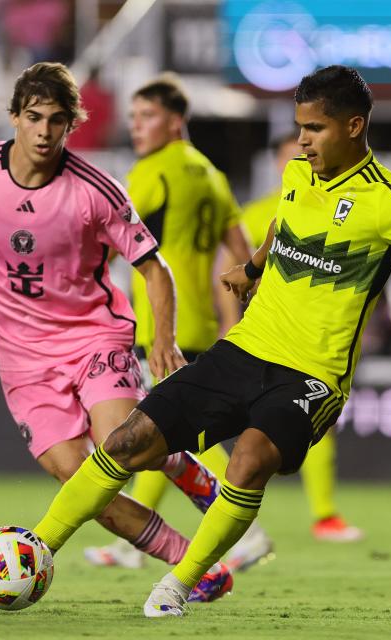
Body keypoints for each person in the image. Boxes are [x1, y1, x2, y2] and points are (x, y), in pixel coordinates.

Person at [20, 65, 391, 618]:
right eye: (299, 128)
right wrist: (254, 265)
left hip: (313, 373)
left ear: (355, 126)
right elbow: (283, 224)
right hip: (246, 348)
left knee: (247, 460)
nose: (302, 141)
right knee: (127, 441)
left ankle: (180, 582)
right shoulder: (296, 174)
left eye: (314, 129)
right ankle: (35, 549)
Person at [0, 62, 232, 602]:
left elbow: (152, 268)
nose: (45, 132)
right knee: (80, 483)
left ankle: (180, 468)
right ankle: (194, 563)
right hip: (22, 359)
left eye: (57, 121)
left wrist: (162, 340)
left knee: (118, 449)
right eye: (34, 118)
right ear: (15, 117)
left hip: (94, 336)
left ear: (73, 124)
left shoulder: (97, 190)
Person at [85, 74, 275, 570]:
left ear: (175, 121)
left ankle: (246, 529)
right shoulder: (211, 174)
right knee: (161, 431)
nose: (136, 127)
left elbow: (107, 237)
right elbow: (243, 256)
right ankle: (134, 541)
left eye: (146, 117)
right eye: (132, 118)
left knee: (173, 433)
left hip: (158, 322)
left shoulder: (153, 170)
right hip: (199, 320)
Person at [240, 130, 363, 542]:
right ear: (278, 163)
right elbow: (231, 272)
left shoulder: (339, 210)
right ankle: (220, 509)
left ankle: (324, 515)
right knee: (209, 426)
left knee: (316, 426)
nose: (300, 157)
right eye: (289, 154)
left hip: (307, 342)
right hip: (255, 336)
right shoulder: (257, 215)